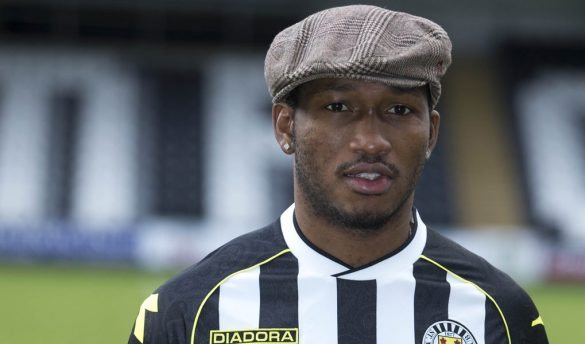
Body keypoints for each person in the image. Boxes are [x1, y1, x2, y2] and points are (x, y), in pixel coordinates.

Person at [129, 5, 548, 344]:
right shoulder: (190, 310)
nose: (370, 141)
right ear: (284, 126)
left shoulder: (500, 315)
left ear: (432, 133)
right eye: (338, 108)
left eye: (399, 111)